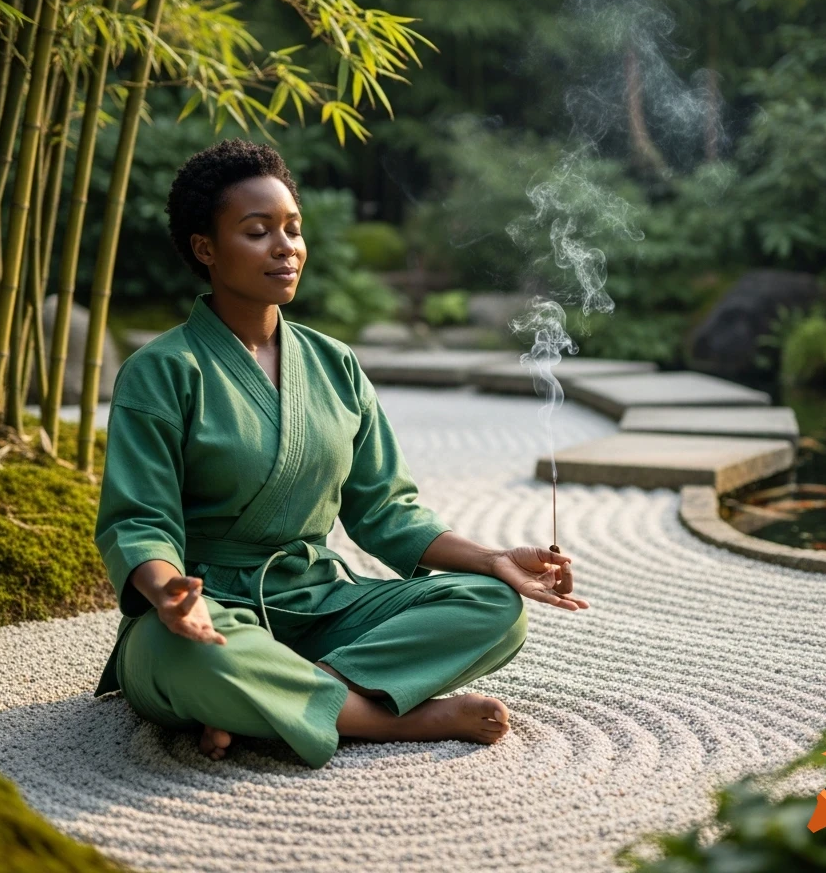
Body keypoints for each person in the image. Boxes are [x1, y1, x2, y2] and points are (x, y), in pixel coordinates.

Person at [92, 138, 589, 768]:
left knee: (493, 605)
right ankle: (386, 720)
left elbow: (387, 510)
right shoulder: (160, 371)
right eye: (257, 231)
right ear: (205, 249)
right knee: (189, 655)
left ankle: (272, 701)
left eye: (293, 229)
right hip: (204, 606)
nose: (286, 247)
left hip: (318, 602)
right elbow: (139, 521)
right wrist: (168, 596)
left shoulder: (335, 364)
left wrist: (494, 558)